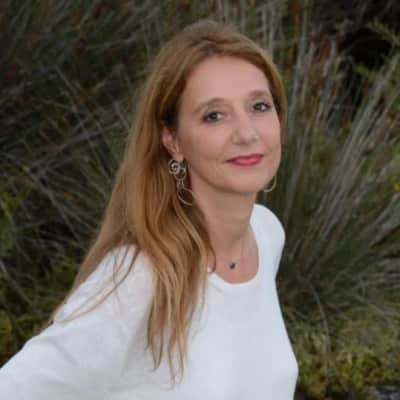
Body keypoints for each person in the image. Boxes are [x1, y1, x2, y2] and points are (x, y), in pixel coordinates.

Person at [0, 19, 298, 399]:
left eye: (259, 106)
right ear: (172, 140)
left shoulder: (266, 234)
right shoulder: (141, 274)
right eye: (214, 115)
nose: (246, 132)